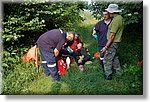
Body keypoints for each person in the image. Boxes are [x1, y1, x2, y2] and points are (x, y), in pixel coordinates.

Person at [101, 4, 124, 80]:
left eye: (109, 11)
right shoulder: (119, 18)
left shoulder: (116, 20)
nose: (108, 13)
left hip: (112, 43)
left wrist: (106, 47)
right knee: (114, 58)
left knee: (107, 59)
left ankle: (108, 75)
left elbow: (112, 35)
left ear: (112, 11)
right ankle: (119, 72)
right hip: (116, 43)